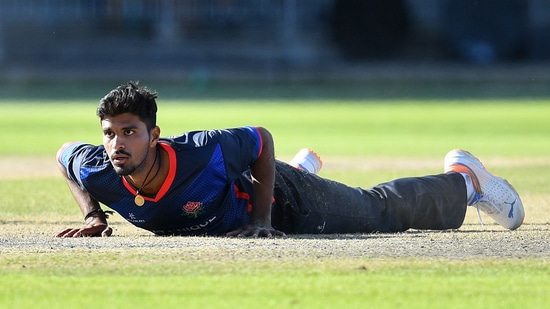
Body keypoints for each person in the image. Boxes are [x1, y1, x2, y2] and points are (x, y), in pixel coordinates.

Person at [55, 82, 525, 238]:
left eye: (130, 132)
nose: (118, 144)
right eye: (110, 134)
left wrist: (262, 219)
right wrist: (93, 215)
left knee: (379, 212)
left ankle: (464, 179)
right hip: (250, 188)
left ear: (154, 135)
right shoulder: (99, 166)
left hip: (283, 198)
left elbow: (260, 138)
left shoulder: (202, 150)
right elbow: (63, 157)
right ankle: (301, 169)